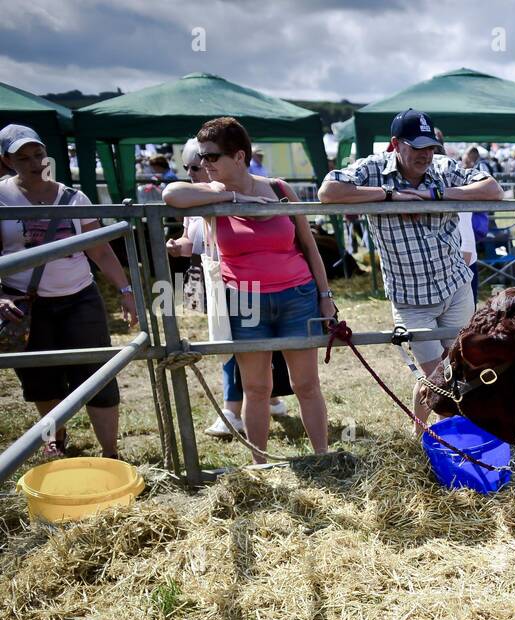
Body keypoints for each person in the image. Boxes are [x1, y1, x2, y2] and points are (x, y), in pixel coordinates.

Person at [164, 116, 334, 464]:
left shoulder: (278, 188)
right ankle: (260, 463)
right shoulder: (212, 194)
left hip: (297, 295)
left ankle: (323, 456)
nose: (203, 165)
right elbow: (170, 193)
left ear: (239, 156)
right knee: (256, 388)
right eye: (201, 158)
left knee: (306, 384)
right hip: (244, 299)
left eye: (211, 157)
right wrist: (234, 198)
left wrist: (325, 295)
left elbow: (309, 245)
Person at [318, 109, 502, 431]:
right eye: (416, 147)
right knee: (438, 378)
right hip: (411, 300)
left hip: (455, 287)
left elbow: (492, 189)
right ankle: (443, 441)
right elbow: (328, 192)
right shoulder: (373, 169)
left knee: (459, 372)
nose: (426, 154)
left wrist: (437, 195)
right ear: (395, 145)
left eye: (430, 146)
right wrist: (390, 196)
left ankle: (428, 436)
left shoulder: (443, 168)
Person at [0, 125, 138, 458]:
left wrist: (126, 289)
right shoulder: (2, 198)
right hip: (25, 304)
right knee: (40, 379)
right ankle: (54, 442)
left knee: (97, 374)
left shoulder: (74, 198)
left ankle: (110, 452)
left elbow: (100, 250)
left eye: (37, 154)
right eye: (23, 157)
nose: (34, 163)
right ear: (6, 160)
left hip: (79, 298)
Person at [164, 139, 292, 437]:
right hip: (214, 279)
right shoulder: (195, 199)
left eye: (198, 166)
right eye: (189, 168)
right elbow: (190, 240)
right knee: (230, 341)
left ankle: (232, 410)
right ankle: (268, 399)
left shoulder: (239, 193)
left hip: (245, 280)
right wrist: (176, 247)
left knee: (239, 344)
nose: (194, 173)